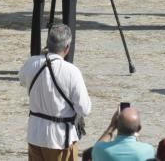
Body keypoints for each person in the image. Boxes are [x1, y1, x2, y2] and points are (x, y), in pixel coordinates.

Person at [18, 24, 92, 161]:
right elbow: (84, 108)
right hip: (60, 137)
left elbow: (22, 80)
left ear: (47, 44)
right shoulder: (71, 71)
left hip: (35, 133)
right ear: (67, 47)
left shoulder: (31, 63)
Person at [91, 107, 156, 161]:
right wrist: (135, 132)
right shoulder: (148, 150)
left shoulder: (100, 149)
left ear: (116, 125)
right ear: (139, 129)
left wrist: (111, 127)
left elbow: (97, 146)